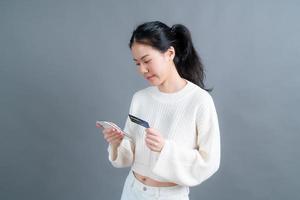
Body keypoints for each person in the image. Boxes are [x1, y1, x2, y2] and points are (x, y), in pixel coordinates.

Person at [101, 21, 221, 200]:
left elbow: (209, 162)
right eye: (137, 63)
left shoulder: (199, 101)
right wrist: (118, 142)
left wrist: (165, 148)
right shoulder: (140, 98)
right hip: (132, 191)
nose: (142, 69)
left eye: (147, 60)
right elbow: (131, 152)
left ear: (170, 53)